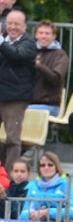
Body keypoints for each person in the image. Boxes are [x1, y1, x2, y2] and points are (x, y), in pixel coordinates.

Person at [0, 9, 36, 169]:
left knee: (12, 139)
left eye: (17, 24)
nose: (12, 27)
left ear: (25, 26)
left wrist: (1, 42)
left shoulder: (28, 44)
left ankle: (10, 177)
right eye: (10, 23)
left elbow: (16, 55)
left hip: (15, 98)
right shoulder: (4, 41)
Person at [20, 150, 73, 222]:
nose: (46, 167)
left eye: (50, 165)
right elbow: (23, 214)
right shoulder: (32, 186)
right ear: (39, 169)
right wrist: (33, 214)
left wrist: (47, 212)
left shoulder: (66, 184)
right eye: (42, 165)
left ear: (56, 167)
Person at [29, 21, 69, 117]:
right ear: (36, 35)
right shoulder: (29, 51)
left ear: (54, 36)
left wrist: (39, 66)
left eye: (47, 33)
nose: (44, 36)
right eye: (41, 33)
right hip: (25, 102)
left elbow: (56, 79)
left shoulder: (60, 54)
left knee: (18, 113)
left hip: (49, 105)